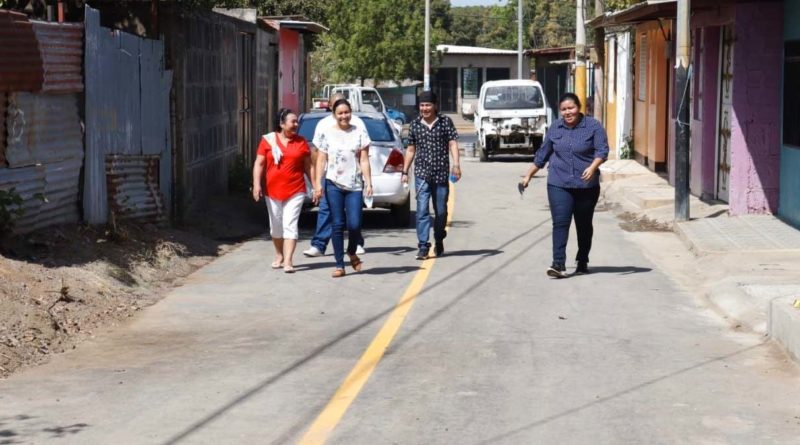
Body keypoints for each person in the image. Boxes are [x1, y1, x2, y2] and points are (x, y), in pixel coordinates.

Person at [519, 93, 609, 278]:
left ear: (579, 107)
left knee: (583, 225)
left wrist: (593, 167)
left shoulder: (593, 126)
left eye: (571, 108)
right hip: (558, 183)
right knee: (560, 223)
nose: (568, 112)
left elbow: (602, 150)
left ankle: (582, 259)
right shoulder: (555, 128)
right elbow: (542, 155)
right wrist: (527, 176)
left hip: (586, 186)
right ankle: (558, 263)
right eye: (564, 109)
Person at [312, 98, 373, 278]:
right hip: (333, 184)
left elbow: (364, 159)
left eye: (346, 112)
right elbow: (321, 160)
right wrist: (317, 184)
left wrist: (369, 182)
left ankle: (351, 251)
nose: (344, 116)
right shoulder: (327, 134)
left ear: (351, 113)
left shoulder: (359, 132)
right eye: (340, 113)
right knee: (337, 224)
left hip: (354, 184)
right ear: (334, 115)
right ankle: (340, 265)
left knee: (354, 224)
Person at [302, 92, 366, 258]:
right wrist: (317, 177)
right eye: (336, 105)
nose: (343, 113)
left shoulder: (357, 123)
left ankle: (356, 242)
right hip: (330, 176)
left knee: (354, 215)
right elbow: (317, 152)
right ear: (330, 107)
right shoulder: (323, 125)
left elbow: (364, 153)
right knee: (326, 210)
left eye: (345, 107)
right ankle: (319, 245)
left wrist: (367, 178)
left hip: (353, 178)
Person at [401, 90, 461, 260]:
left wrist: (456, 164)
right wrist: (405, 171)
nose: (425, 108)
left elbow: (453, 143)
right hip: (421, 175)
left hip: (441, 174)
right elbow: (411, 150)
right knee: (421, 211)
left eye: (428, 105)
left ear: (435, 106)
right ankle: (423, 246)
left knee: (441, 211)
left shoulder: (445, 122)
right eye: (422, 105)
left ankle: (439, 237)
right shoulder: (414, 125)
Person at [252, 108, 312, 274]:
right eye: (292, 121)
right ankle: (279, 254)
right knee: (276, 228)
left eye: (296, 121)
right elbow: (259, 164)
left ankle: (288, 260)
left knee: (290, 225)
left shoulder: (301, 142)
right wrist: (257, 184)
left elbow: (308, 167)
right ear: (281, 124)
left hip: (296, 190)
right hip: (272, 191)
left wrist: (316, 186)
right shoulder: (268, 141)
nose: (296, 124)